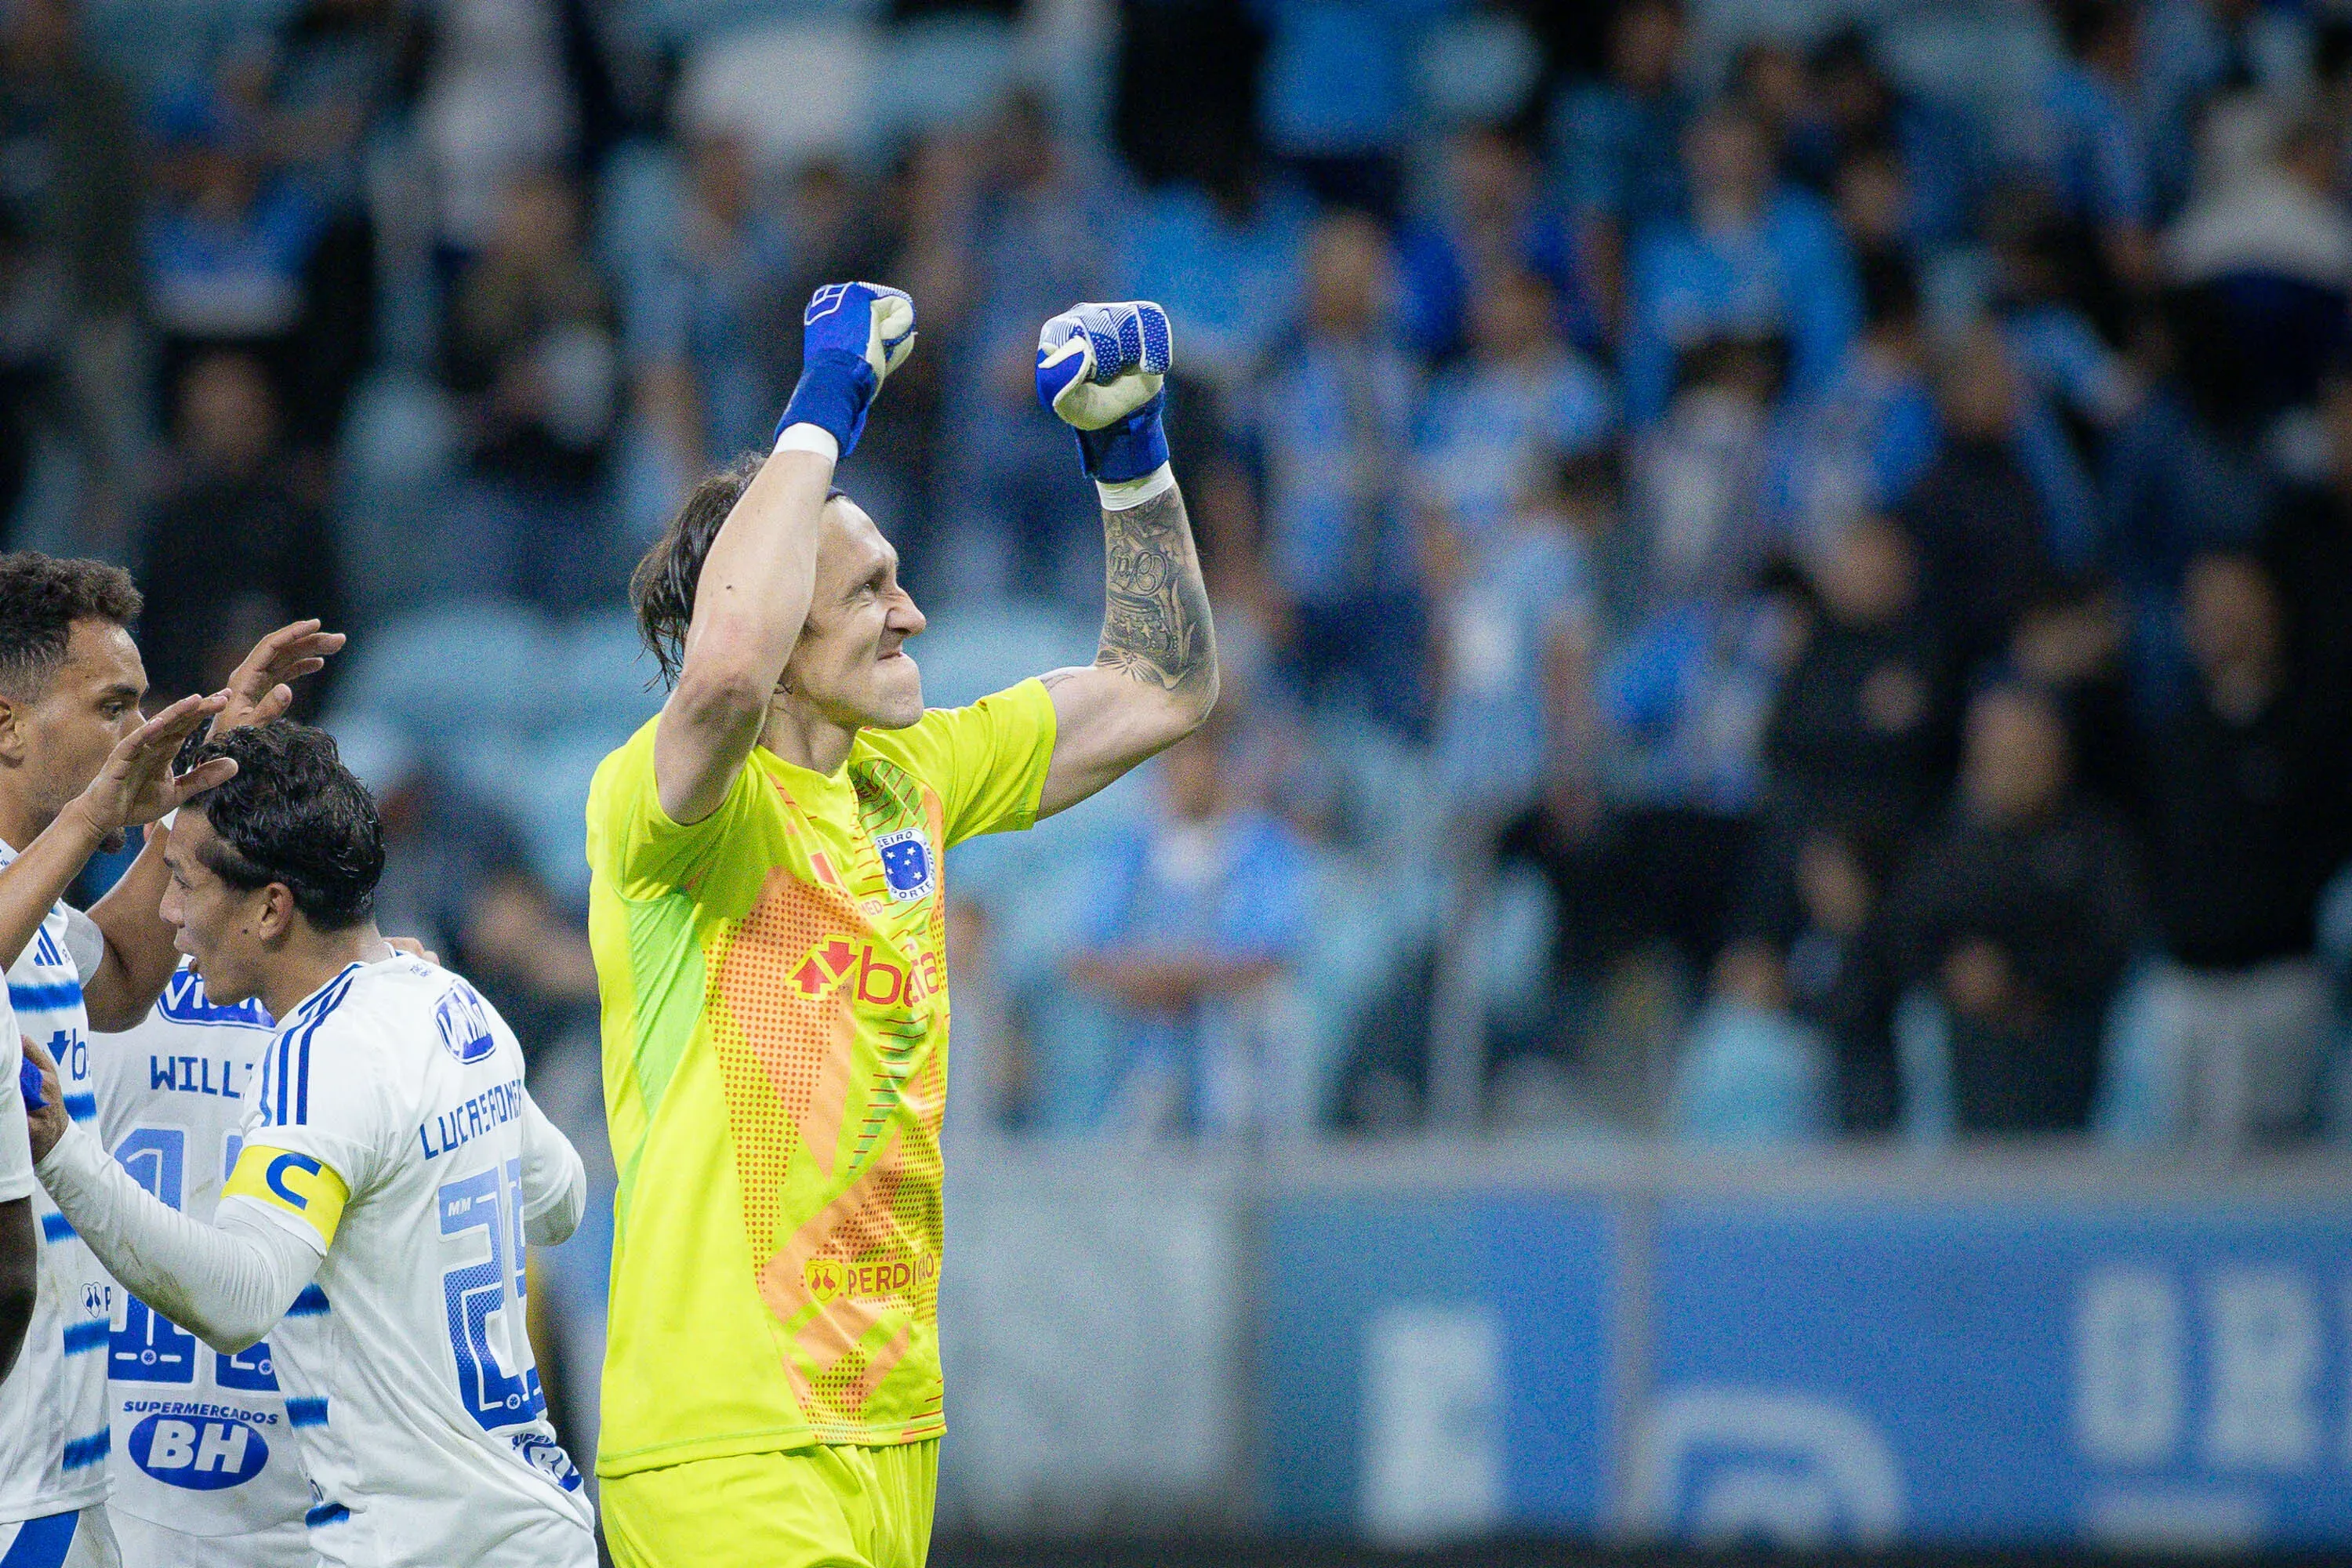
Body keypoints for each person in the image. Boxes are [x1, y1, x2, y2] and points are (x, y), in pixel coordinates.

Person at [586, 282, 1216, 1567]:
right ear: (775, 625)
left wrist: (1130, 450)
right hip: (730, 1443)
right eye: (868, 592)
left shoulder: (913, 775)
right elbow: (718, 677)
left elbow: (1164, 686)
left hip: (890, 1440)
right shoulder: (675, 820)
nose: (911, 613)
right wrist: (825, 405)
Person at [21, 720, 596, 1566]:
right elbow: (560, 1202)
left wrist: (65, 1155)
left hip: (417, 1546)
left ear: (271, 906)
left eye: (182, 881)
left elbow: (243, 1296)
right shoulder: (452, 1002)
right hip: (542, 1524)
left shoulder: (319, 1050)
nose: (168, 914)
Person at [0, 555, 336, 1568]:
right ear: (6, 725)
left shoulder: (36, 911)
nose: (138, 735)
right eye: (113, 707)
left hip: (64, 1458)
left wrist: (214, 753)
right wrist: (99, 814)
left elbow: (127, 975)